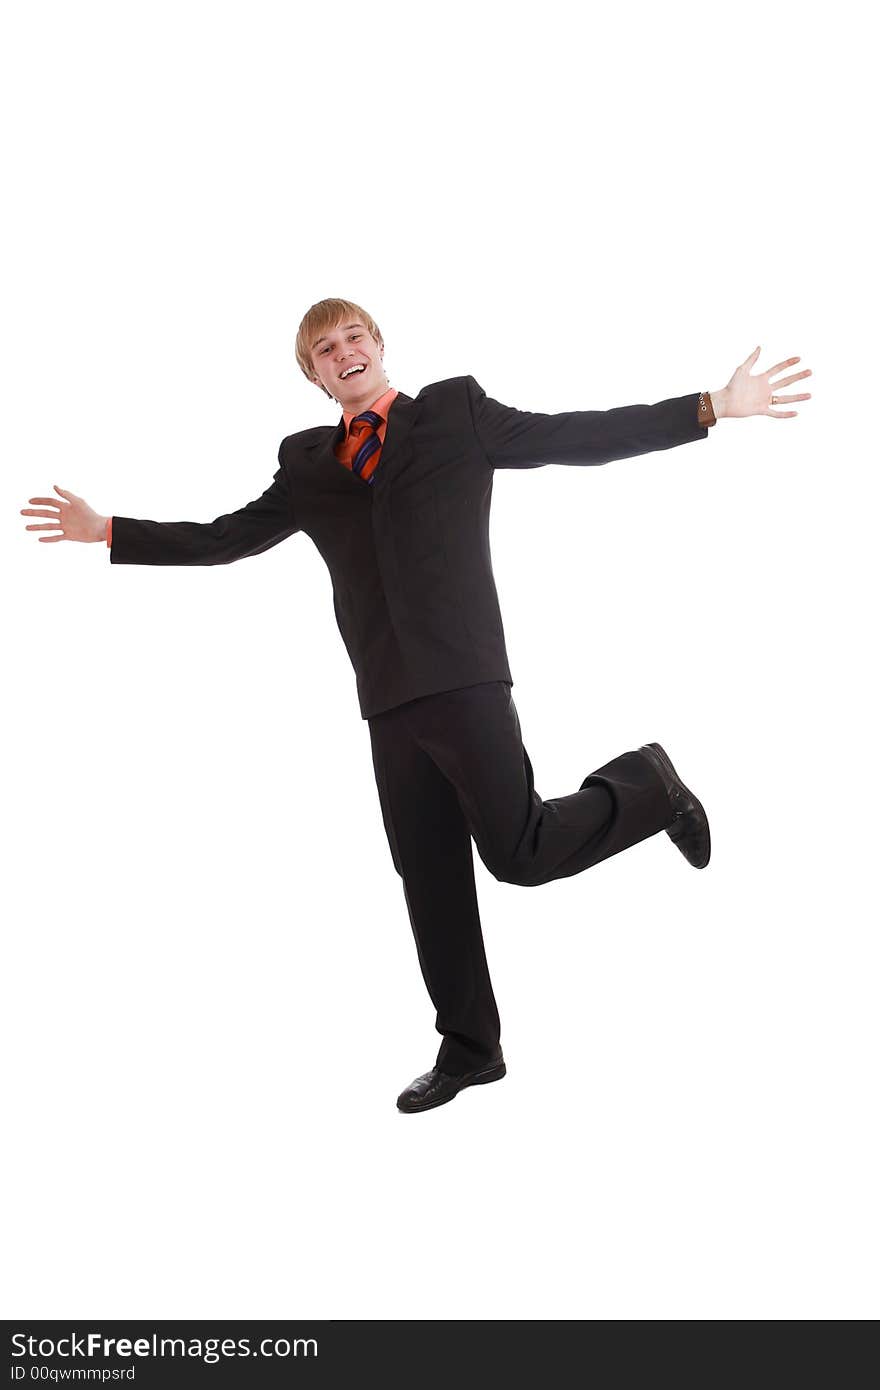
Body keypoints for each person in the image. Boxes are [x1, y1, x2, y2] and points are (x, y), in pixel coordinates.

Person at [21, 298, 813, 1114]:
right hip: (388, 695)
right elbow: (228, 537)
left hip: (466, 677)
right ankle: (471, 1048)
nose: (344, 351)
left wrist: (712, 407)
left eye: (354, 336)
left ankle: (649, 786)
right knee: (429, 877)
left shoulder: (456, 415)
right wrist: (108, 530)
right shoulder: (307, 465)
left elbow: (577, 437)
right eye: (324, 349)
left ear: (379, 345)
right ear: (315, 375)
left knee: (522, 853)